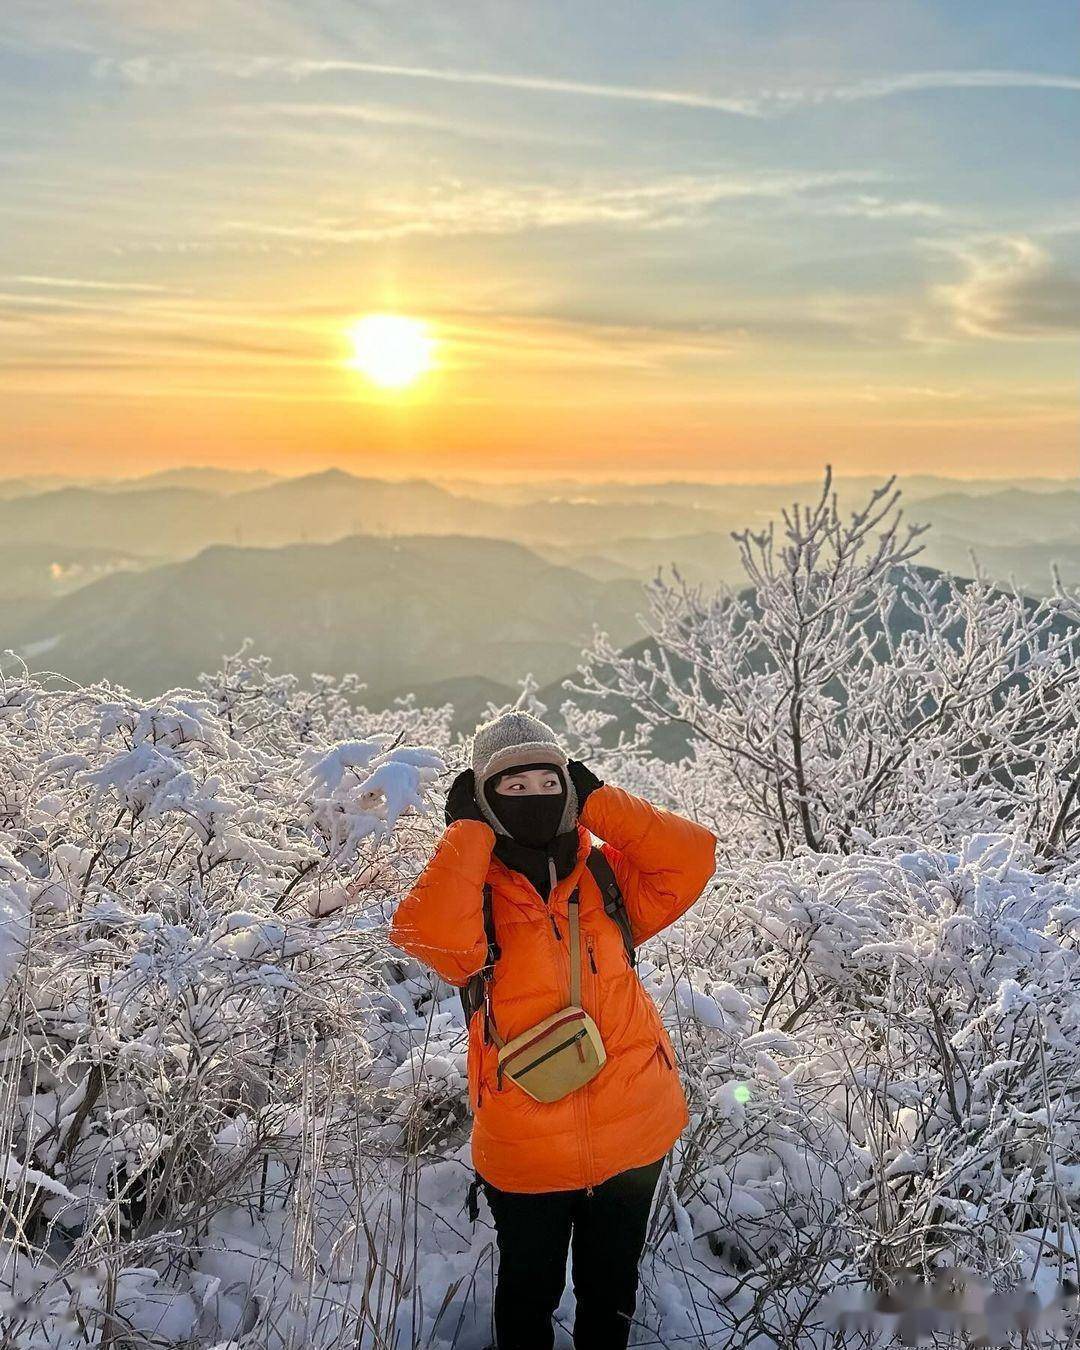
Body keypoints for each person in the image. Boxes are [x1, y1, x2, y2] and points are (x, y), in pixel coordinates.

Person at [389, 711, 717, 1350]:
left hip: (633, 1131)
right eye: (510, 787)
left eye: (548, 781)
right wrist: (465, 835)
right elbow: (428, 937)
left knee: (611, 1295)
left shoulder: (607, 878)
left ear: (568, 791)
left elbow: (691, 857)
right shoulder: (474, 891)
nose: (533, 797)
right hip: (525, 1144)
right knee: (526, 1299)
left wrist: (601, 803)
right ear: (484, 800)